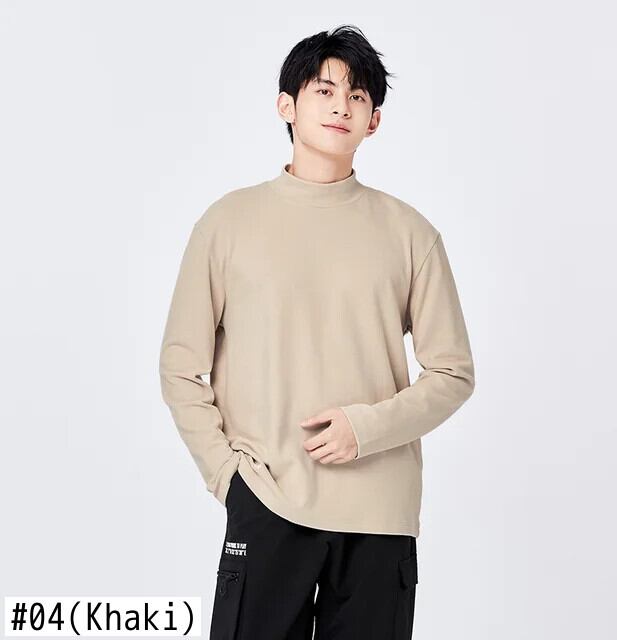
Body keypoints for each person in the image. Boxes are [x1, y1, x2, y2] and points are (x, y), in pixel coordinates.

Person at [159, 24, 475, 640]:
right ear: (287, 105)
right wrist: (227, 476)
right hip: (267, 498)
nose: (340, 106)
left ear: (373, 121)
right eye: (324, 90)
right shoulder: (227, 224)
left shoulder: (411, 234)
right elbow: (180, 366)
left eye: (357, 96)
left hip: (379, 517)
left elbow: (453, 373)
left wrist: (366, 428)